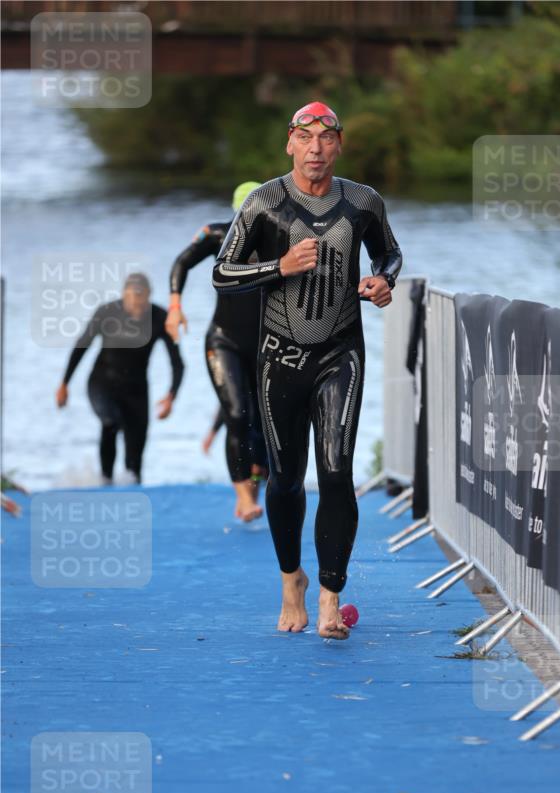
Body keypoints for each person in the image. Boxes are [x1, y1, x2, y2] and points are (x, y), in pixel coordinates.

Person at [213, 101, 402, 640]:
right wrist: (280, 265)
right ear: (289, 143)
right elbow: (222, 272)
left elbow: (388, 254)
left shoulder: (363, 202)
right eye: (305, 136)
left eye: (326, 137)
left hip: (341, 354)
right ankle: (291, 579)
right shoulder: (264, 203)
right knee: (287, 478)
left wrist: (383, 281)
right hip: (280, 358)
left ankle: (329, 597)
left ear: (339, 144)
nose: (315, 147)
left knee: (337, 473)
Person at [167, 182, 268, 522]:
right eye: (244, 214)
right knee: (237, 415)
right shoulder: (217, 235)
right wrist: (174, 305)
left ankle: (253, 486)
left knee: (266, 424)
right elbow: (182, 261)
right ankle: (243, 495)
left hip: (268, 344)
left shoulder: (281, 238)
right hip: (223, 340)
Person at [55, 273, 184, 484]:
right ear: (124, 295)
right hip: (101, 384)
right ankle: (105, 481)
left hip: (137, 391)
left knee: (135, 453)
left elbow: (177, 362)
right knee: (111, 422)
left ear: (149, 295)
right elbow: (81, 345)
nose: (136, 305)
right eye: (132, 298)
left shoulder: (160, 317)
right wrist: (64, 383)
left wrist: (172, 395)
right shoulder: (107, 313)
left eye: (141, 299)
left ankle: (133, 491)